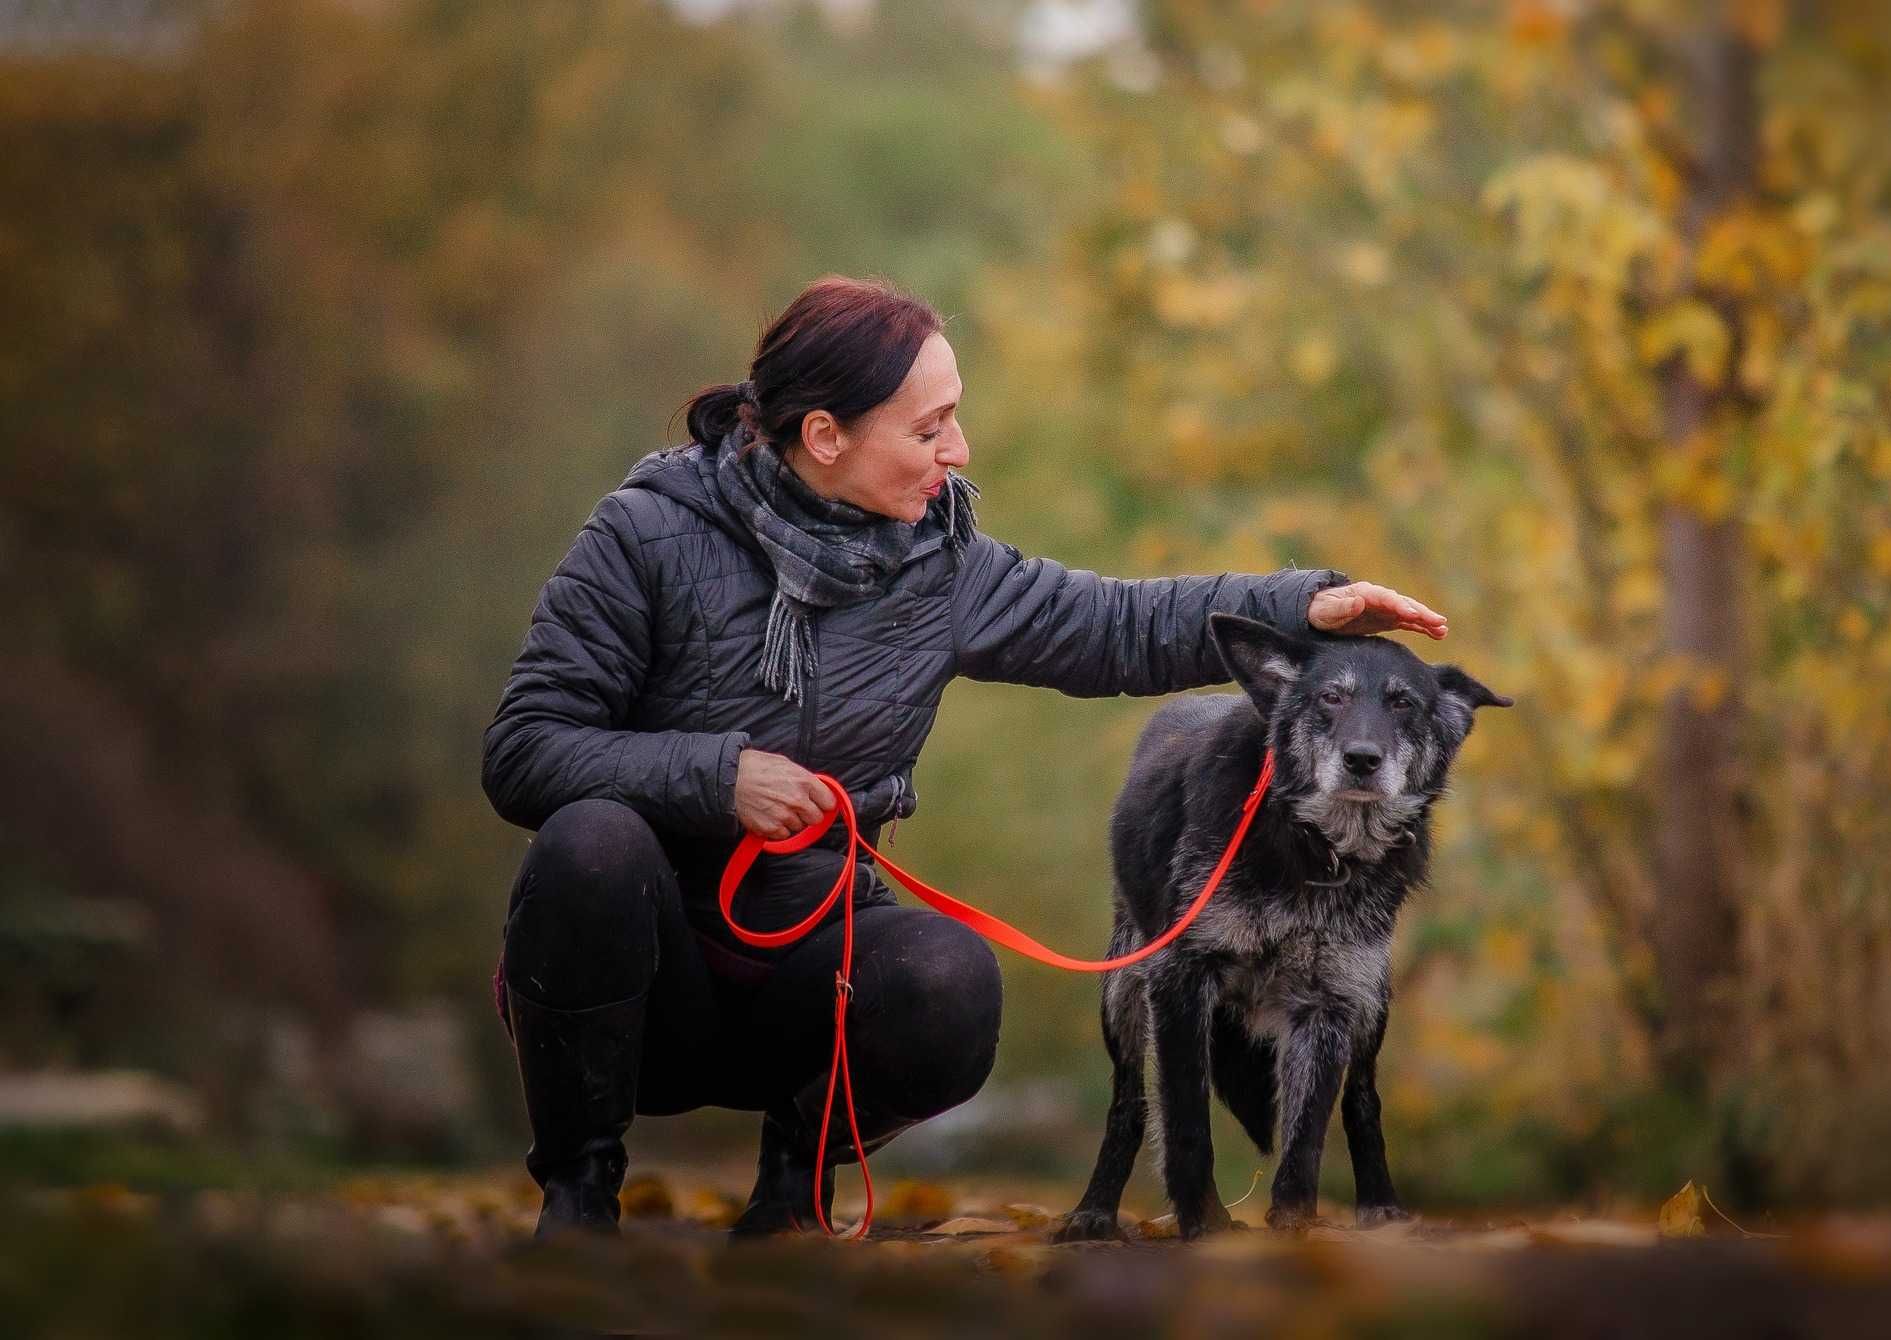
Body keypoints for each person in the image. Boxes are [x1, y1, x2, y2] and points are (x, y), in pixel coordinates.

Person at [482, 274, 1449, 1241]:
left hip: (810, 962)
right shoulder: (642, 533)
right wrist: (719, 776)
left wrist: (1302, 607)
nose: (958, 451)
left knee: (952, 981)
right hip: (638, 984)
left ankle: (794, 1185)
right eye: (928, 427)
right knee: (590, 844)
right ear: (826, 436)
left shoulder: (942, 568)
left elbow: (1116, 624)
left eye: (956, 419)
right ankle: (578, 1197)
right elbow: (525, 749)